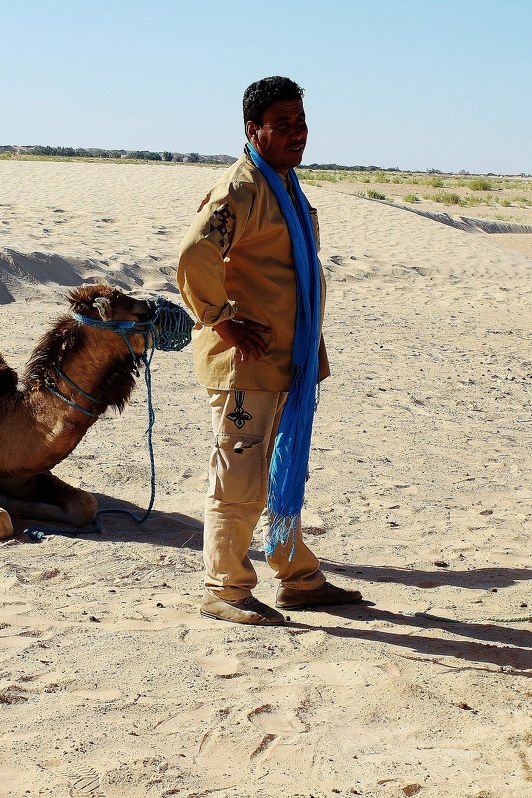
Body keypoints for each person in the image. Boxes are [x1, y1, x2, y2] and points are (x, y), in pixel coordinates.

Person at [176, 76, 362, 625]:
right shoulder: (242, 189)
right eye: (283, 125)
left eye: (301, 123)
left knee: (281, 468)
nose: (297, 134)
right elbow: (193, 257)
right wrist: (220, 320)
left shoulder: (285, 185)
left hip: (288, 362)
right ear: (252, 130)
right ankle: (225, 586)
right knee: (239, 473)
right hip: (247, 366)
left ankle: (295, 574)